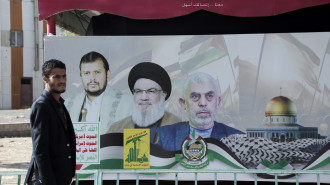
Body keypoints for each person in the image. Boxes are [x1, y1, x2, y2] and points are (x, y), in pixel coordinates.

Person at [157, 72, 244, 151]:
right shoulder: (162, 136)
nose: (202, 103)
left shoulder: (239, 139)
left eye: (209, 96)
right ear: (183, 103)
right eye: (195, 96)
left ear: (218, 102)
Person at [25, 59, 76, 185]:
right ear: (45, 79)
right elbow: (40, 150)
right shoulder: (41, 106)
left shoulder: (59, 105)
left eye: (64, 76)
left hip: (61, 177)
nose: (62, 81)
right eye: (57, 77)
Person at [108, 62, 180, 143]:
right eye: (138, 91)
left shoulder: (179, 129)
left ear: (163, 95)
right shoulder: (115, 130)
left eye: (151, 91)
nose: (144, 97)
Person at [64, 51, 132, 135]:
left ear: (108, 74)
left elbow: (138, 145)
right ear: (81, 76)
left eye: (97, 72)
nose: (92, 78)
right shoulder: (67, 105)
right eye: (87, 73)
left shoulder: (129, 103)